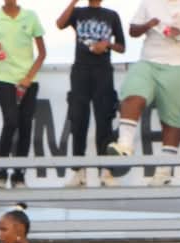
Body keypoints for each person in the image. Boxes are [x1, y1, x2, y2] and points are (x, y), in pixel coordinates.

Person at [106, 0, 180, 186]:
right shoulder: (148, 3)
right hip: (148, 61)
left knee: (172, 120)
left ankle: (163, 170)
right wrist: (148, 25)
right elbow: (133, 31)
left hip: (179, 66)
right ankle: (124, 144)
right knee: (132, 92)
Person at [56, 0, 126, 188]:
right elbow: (59, 24)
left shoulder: (111, 15)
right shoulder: (78, 12)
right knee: (78, 120)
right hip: (81, 70)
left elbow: (122, 46)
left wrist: (107, 45)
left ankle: (106, 171)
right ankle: (79, 172)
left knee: (104, 120)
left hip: (103, 70)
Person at [0, 1, 46, 189]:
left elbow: (42, 53)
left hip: (28, 80)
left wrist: (28, 77)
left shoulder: (30, 16)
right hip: (4, 78)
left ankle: (19, 175)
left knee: (25, 125)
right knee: (11, 121)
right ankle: (0, 173)